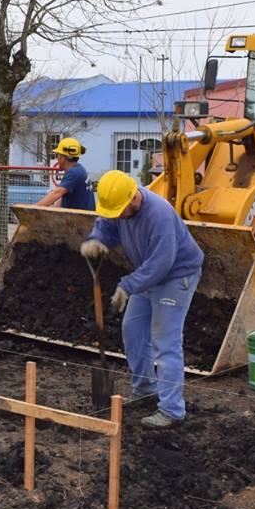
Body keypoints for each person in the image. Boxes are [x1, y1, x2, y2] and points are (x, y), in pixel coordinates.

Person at [79, 170, 204, 428]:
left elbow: (162, 263)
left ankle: (172, 411)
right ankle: (145, 389)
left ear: (133, 199)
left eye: (119, 210)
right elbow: (107, 222)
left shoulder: (159, 215)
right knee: (132, 330)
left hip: (175, 276)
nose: (117, 216)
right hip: (147, 273)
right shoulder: (119, 205)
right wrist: (97, 239)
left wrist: (129, 285)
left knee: (165, 342)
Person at [36, 137, 96, 211]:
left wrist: (32, 209)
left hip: (79, 220)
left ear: (63, 158)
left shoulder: (73, 173)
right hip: (84, 218)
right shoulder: (79, 170)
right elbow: (62, 199)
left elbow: (57, 193)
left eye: (58, 155)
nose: (57, 159)